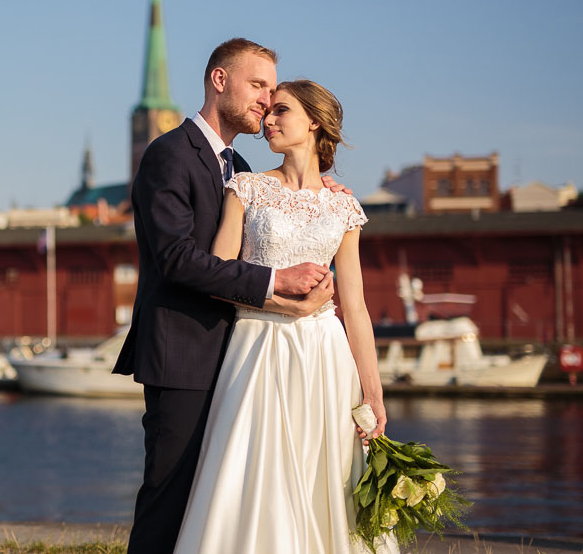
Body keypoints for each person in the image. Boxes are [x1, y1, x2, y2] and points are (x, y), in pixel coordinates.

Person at [113, 39, 349, 554]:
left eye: (272, 90)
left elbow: (277, 207)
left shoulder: (240, 166)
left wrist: (319, 192)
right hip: (184, 355)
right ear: (220, 81)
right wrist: (274, 282)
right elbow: (175, 258)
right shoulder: (169, 154)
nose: (266, 100)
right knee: (169, 501)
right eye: (258, 85)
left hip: (244, 361)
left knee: (223, 510)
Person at [172, 79, 396, 553]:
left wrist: (373, 394)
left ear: (314, 122)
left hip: (326, 359)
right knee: (257, 473)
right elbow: (221, 274)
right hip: (257, 347)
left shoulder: (343, 205)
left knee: (325, 473)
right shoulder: (246, 187)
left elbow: (354, 307)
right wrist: (284, 301)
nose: (268, 120)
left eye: (282, 111)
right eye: (268, 111)